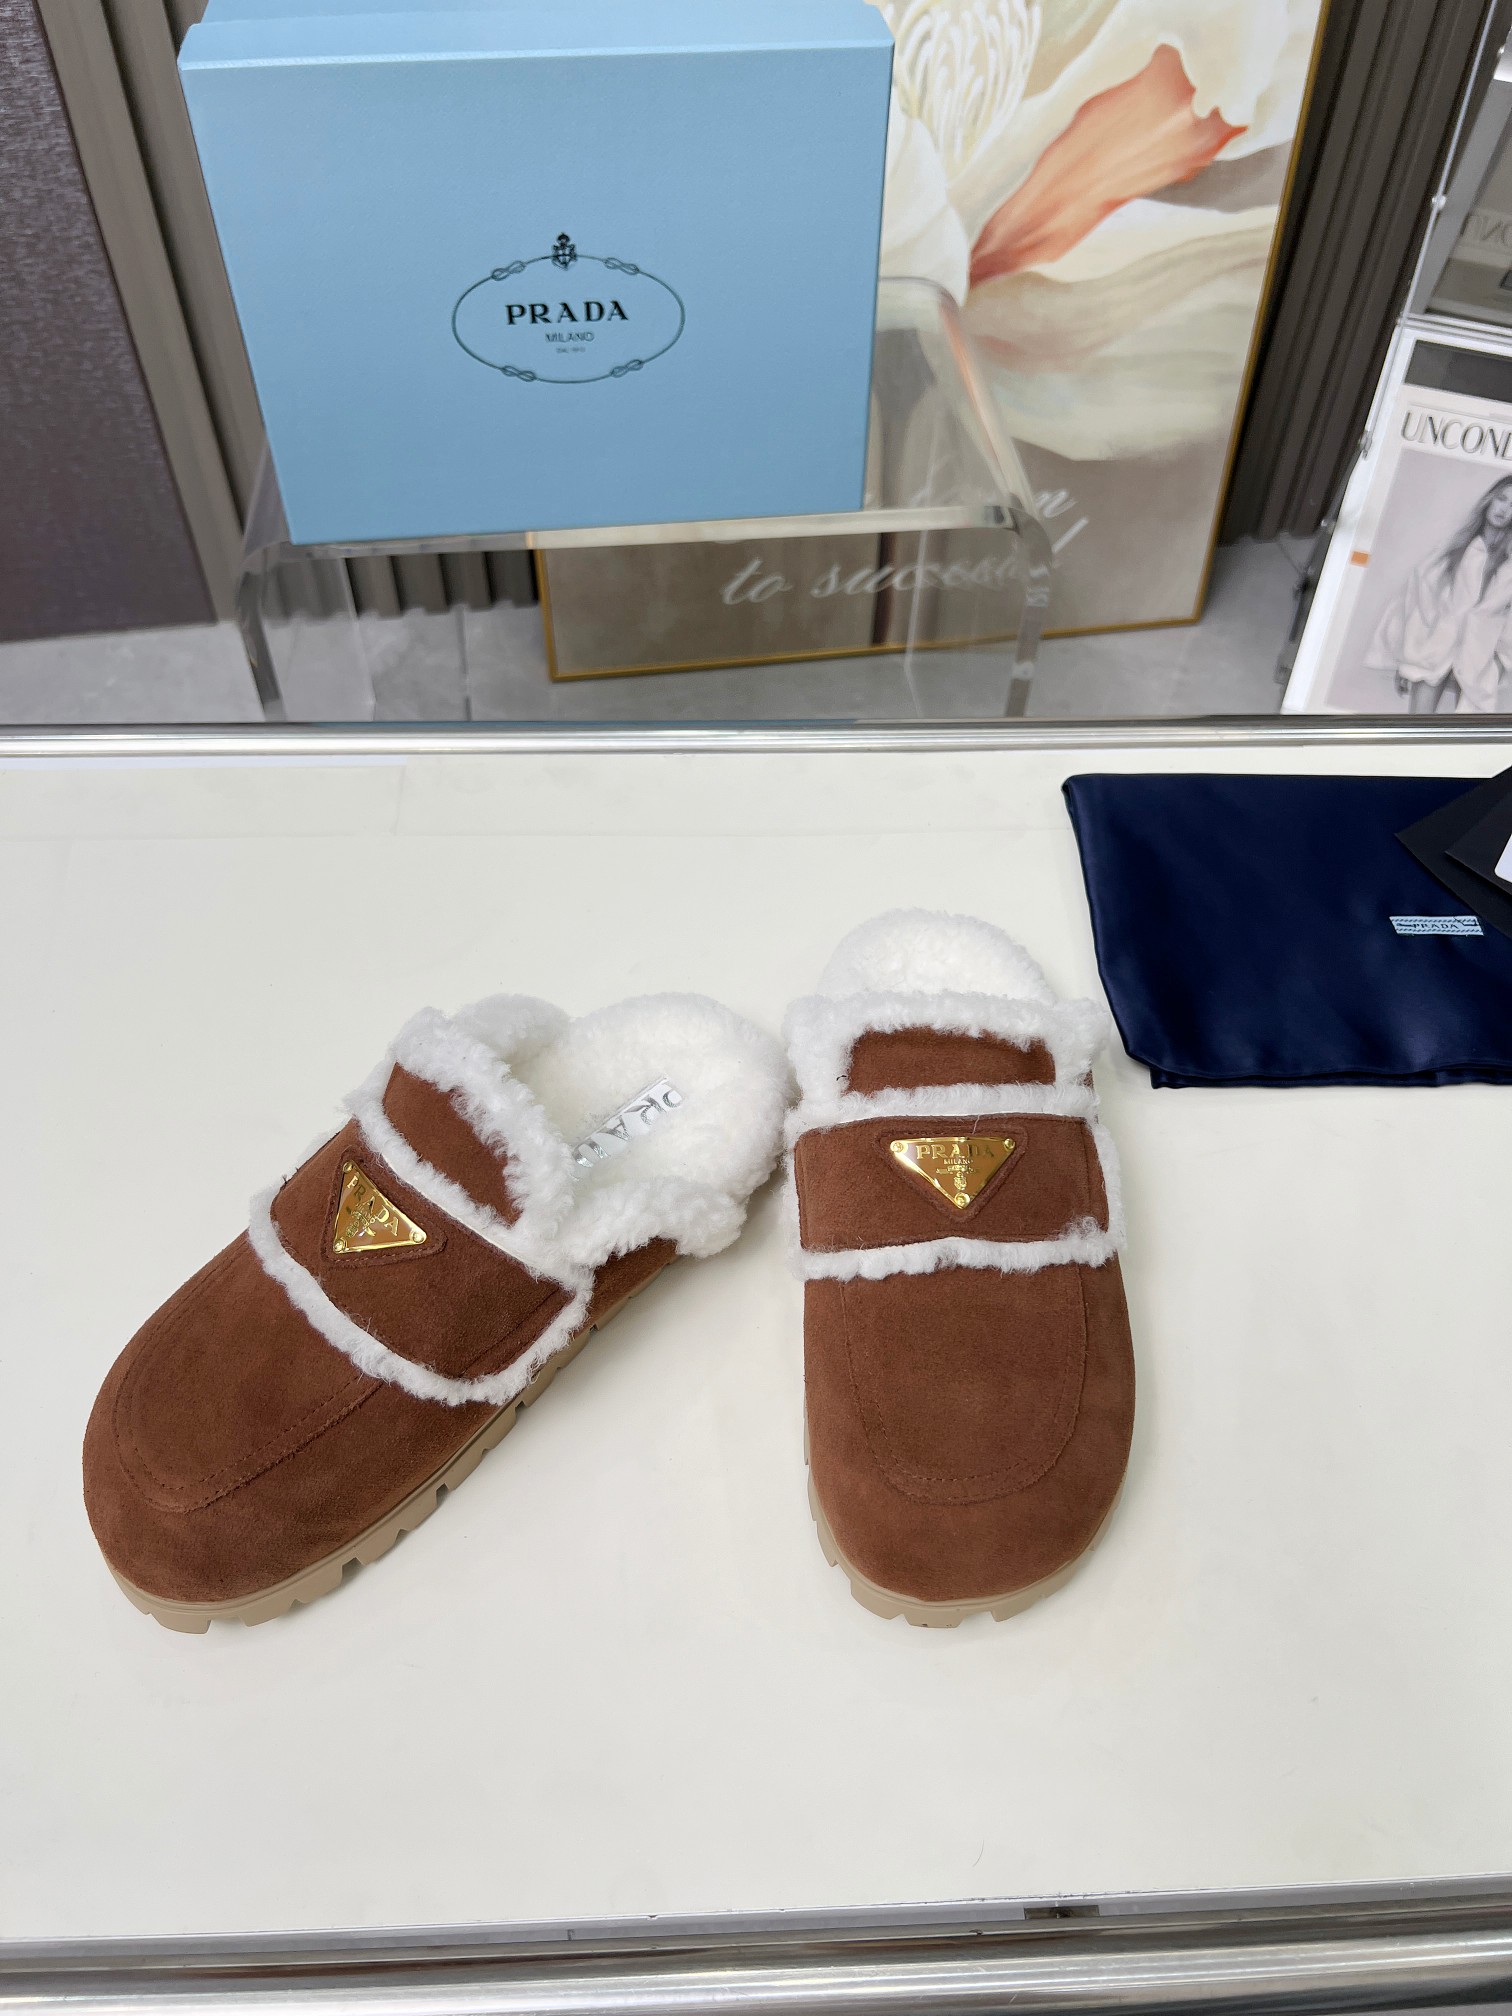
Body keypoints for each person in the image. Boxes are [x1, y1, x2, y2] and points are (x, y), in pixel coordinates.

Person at [1368, 474, 1512, 712]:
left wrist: (1500, 662)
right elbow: (1418, 602)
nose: (1504, 510)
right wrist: (1407, 661)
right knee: (1418, 727)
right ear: (1489, 499)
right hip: (1434, 652)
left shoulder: (1509, 564)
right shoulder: (1453, 550)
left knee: (1468, 732)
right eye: (1502, 499)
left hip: (1479, 661)